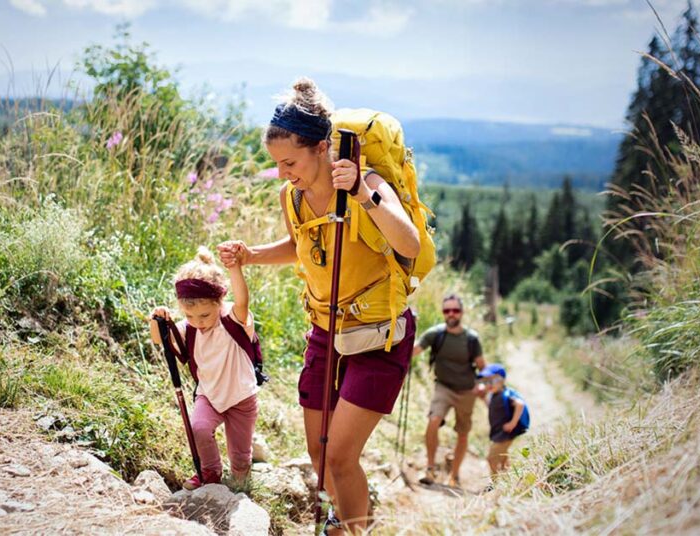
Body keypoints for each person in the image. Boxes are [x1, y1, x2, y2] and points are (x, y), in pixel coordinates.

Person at [217, 77, 420, 534]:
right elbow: (299, 245)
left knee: (341, 456)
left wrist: (363, 195)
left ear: (323, 148)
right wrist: (251, 255)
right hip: (326, 332)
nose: (282, 173)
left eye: (290, 162)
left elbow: (407, 242)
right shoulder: (292, 195)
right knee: (319, 453)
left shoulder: (367, 182)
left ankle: (353, 529)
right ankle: (344, 519)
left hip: (378, 334)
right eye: (276, 164)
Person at [149, 247, 259, 490]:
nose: (198, 322)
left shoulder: (233, 319)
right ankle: (210, 472)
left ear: (220, 302)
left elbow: (242, 301)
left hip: (241, 397)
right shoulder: (190, 329)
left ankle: (241, 481)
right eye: (189, 316)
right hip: (209, 394)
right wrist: (156, 320)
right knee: (198, 428)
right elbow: (159, 339)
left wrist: (235, 268)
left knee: (240, 455)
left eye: (205, 315)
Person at [411, 294, 485, 487]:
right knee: (433, 420)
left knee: (462, 433)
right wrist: (408, 329)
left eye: (455, 310)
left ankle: (454, 474)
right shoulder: (435, 334)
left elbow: (482, 367)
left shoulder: (471, 339)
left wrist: (482, 386)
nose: (451, 314)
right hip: (443, 387)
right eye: (447, 310)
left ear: (462, 312)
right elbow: (413, 350)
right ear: (443, 312)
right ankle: (430, 469)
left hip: (467, 391)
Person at [479, 363, 529, 480]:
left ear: (502, 380)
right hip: (498, 432)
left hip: (505, 433)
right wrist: (483, 399)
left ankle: (496, 483)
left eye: (493, 381)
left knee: (491, 458)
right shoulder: (494, 395)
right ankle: (509, 479)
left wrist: (513, 423)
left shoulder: (506, 394)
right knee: (503, 459)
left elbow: (520, 404)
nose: (489, 384)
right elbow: (493, 408)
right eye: (486, 381)